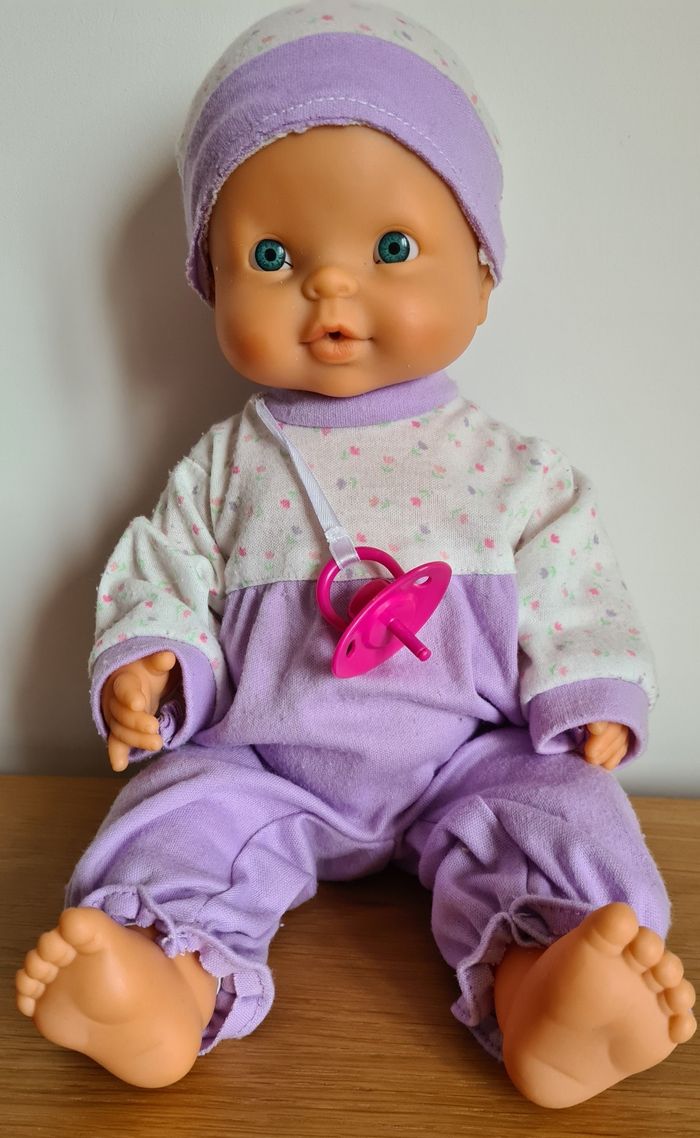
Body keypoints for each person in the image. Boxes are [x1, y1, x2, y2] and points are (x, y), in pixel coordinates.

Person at [16, 0, 696, 1106]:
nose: (329, 287)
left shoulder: (511, 470)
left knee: (561, 809)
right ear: (212, 282)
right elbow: (163, 568)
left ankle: (546, 985)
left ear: (481, 273)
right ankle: (162, 979)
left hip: (466, 762)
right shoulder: (226, 465)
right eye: (272, 256)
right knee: (176, 812)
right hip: (263, 762)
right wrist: (151, 664)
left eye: (391, 248)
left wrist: (591, 694)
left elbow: (575, 583)